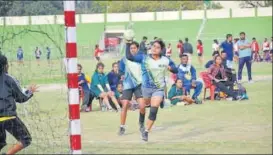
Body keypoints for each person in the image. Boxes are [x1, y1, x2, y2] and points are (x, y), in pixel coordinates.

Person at [125, 39, 178, 142]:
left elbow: (176, 69)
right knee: (143, 107)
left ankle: (146, 132)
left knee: (153, 110)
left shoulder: (166, 60)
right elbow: (129, 57)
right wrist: (127, 44)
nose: (154, 49)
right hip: (145, 89)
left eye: (157, 47)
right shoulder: (144, 58)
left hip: (158, 89)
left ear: (161, 50)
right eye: (153, 46)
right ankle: (141, 121)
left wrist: (170, 68)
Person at [0, 54, 38, 154]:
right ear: (5, 65)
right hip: (8, 117)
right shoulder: (9, 79)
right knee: (26, 139)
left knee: (1, 143)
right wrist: (30, 92)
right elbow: (20, 98)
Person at [118, 41, 145, 136]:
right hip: (128, 85)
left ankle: (141, 123)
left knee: (142, 106)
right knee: (124, 105)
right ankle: (122, 126)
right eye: (131, 48)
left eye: (134, 48)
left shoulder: (141, 58)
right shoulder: (124, 59)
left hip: (139, 85)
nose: (132, 50)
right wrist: (121, 76)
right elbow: (120, 71)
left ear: (137, 49)